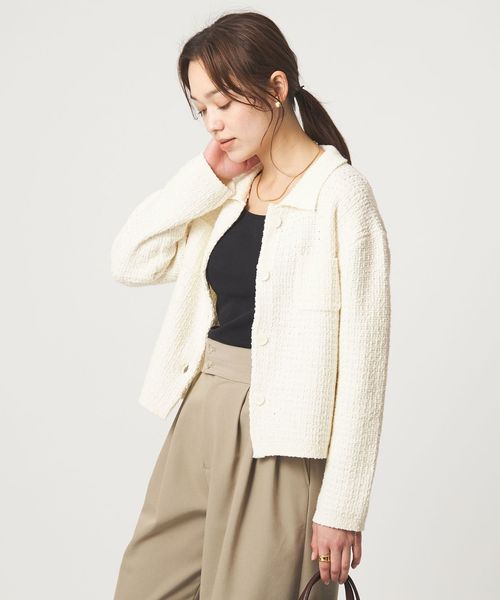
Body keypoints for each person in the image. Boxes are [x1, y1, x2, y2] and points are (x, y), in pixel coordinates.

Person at [111, 10, 391, 600]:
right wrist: (206, 174)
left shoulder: (342, 196)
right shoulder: (230, 188)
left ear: (276, 87)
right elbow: (131, 259)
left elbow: (364, 368)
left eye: (223, 102)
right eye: (201, 109)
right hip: (200, 414)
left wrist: (342, 505)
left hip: (285, 439)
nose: (213, 122)